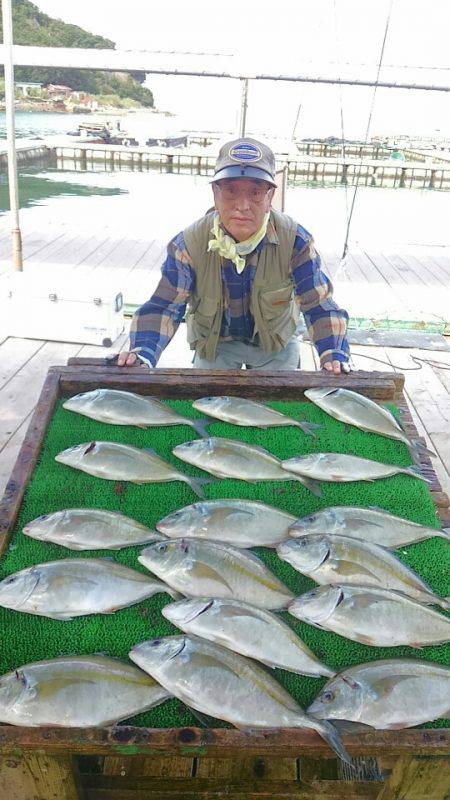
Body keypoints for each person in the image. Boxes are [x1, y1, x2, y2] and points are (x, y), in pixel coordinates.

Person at [118, 137, 351, 373]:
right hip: (215, 344)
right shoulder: (188, 244)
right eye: (230, 190)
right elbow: (165, 306)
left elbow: (318, 304)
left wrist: (333, 353)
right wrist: (142, 353)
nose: (242, 205)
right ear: (215, 193)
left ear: (270, 196)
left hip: (275, 344)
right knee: (208, 404)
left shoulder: (295, 241)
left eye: (256, 192)